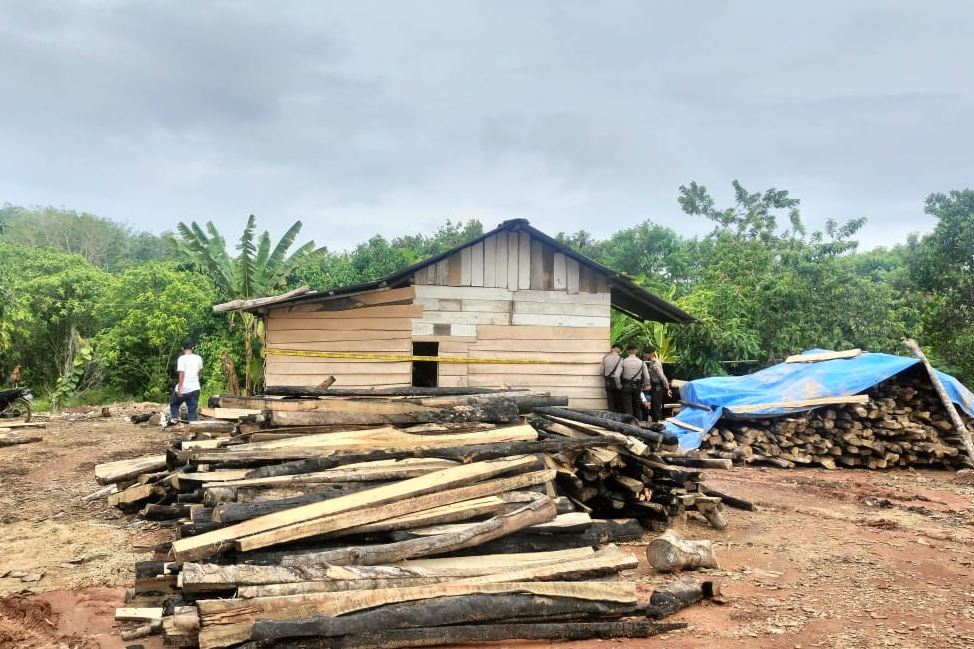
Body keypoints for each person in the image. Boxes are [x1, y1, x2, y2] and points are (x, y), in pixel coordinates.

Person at [612, 344, 650, 418]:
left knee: (627, 408)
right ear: (636, 351)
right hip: (637, 387)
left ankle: (629, 426)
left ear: (627, 351)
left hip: (626, 386)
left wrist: (619, 385)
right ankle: (637, 424)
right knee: (637, 407)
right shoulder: (642, 362)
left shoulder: (623, 361)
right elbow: (647, 377)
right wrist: (644, 385)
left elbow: (616, 375)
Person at [169, 340, 203, 422]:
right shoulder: (198, 358)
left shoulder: (182, 359)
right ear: (193, 348)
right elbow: (199, 372)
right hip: (195, 388)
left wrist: (180, 388)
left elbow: (182, 374)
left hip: (185, 387)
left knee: (174, 404)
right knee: (192, 410)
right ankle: (193, 429)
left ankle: (176, 422)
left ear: (182, 348)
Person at [643, 346, 672, 422]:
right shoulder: (652, 363)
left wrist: (667, 387)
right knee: (653, 409)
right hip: (654, 388)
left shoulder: (655, 364)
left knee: (656, 408)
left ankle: (658, 425)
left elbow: (662, 376)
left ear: (651, 354)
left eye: (646, 354)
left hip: (657, 388)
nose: (644, 355)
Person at [601, 343, 624, 412]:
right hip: (617, 382)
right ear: (620, 351)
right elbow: (622, 372)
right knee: (618, 401)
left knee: (610, 400)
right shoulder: (621, 359)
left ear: (612, 349)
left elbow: (601, 372)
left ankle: (611, 416)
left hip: (608, 381)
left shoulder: (605, 358)